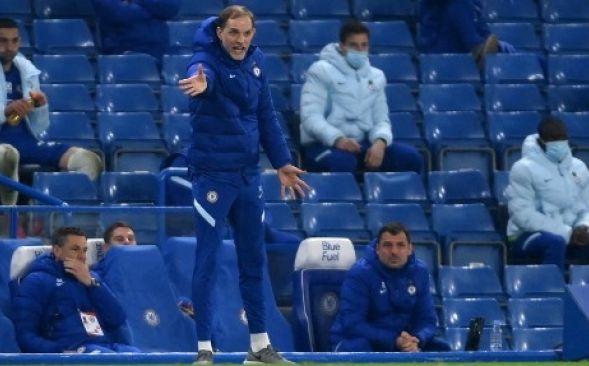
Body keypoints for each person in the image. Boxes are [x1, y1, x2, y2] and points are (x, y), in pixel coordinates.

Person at [178, 5, 309, 364]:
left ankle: (259, 346)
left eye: (246, 33)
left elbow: (265, 112)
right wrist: (201, 83)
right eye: (234, 33)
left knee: (254, 260)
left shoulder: (257, 61)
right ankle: (205, 350)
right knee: (207, 259)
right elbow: (200, 74)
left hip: (249, 176)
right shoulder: (204, 60)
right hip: (212, 176)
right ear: (220, 32)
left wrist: (281, 162)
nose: (240, 40)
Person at [0, 18, 103, 205]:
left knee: (89, 160)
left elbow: (39, 127)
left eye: (14, 40)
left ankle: (62, 211)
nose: (10, 46)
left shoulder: (26, 69)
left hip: (28, 142)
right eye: (3, 41)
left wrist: (41, 107)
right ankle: (10, 215)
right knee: (9, 155)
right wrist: (3, 111)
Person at [299, 20, 424, 175]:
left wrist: (380, 142)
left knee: (410, 158)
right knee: (343, 163)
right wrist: (338, 139)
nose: (359, 50)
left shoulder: (376, 76)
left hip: (362, 145)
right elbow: (311, 118)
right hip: (323, 144)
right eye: (354, 45)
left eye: (364, 45)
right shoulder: (320, 71)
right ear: (342, 46)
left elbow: (381, 120)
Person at [12, 227, 140, 353]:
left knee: (136, 355)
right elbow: (25, 336)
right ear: (57, 251)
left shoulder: (92, 278)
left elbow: (117, 319)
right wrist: (61, 352)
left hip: (103, 345)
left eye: (84, 250)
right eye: (75, 249)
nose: (81, 256)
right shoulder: (37, 281)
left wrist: (92, 284)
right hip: (72, 352)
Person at [329, 222, 450, 352]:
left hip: (401, 342)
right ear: (377, 249)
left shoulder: (420, 272)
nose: (394, 251)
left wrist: (417, 339)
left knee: (441, 348)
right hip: (359, 341)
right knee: (360, 347)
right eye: (387, 245)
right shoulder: (360, 273)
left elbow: (427, 320)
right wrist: (394, 340)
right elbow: (353, 325)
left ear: (410, 249)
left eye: (400, 245)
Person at [505, 116, 589, 269]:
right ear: (541, 141)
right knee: (555, 242)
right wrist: (566, 233)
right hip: (526, 236)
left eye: (562, 138)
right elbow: (523, 216)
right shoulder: (523, 169)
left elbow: (588, 208)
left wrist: (585, 227)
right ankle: (553, 290)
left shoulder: (578, 167)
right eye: (553, 139)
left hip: (571, 236)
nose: (559, 143)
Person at [417, 0, 516, 66]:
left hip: (463, 53)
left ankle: (480, 48)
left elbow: (480, 24)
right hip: (438, 52)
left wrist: (493, 42)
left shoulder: (473, 3)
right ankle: (477, 48)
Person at [92, 0, 181, 62]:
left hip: (160, 51)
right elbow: (120, 13)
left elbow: (171, 7)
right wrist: (155, 13)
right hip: (123, 53)